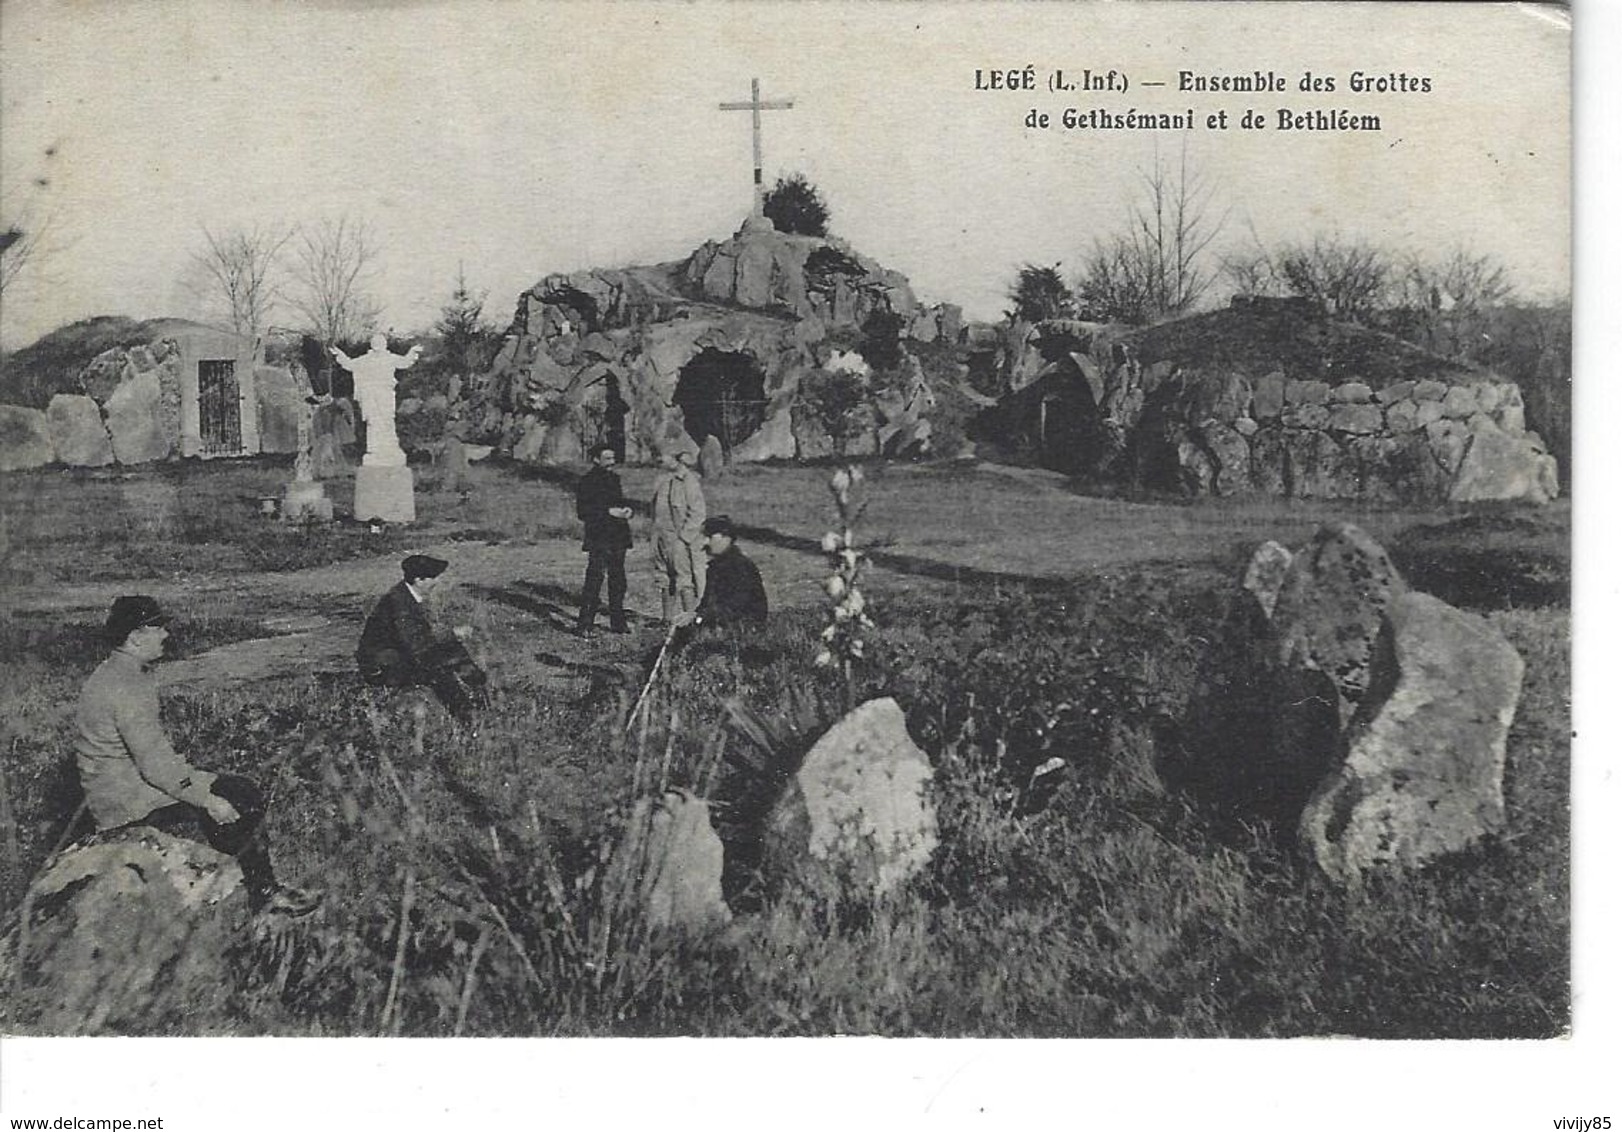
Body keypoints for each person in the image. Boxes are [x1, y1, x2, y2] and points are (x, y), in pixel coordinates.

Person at [74, 596, 320, 917]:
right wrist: (206, 798)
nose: (165, 634)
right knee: (237, 797)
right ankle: (262, 892)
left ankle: (244, 880)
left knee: (235, 788)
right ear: (135, 638)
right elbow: (156, 767)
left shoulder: (113, 673)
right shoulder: (126, 688)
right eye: (157, 627)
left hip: (119, 791)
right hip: (128, 804)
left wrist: (201, 784)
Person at [357, 554, 489, 721]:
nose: (437, 582)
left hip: (396, 655)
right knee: (438, 670)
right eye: (433, 578)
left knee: (451, 650)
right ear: (419, 580)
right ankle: (466, 717)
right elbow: (416, 643)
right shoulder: (400, 604)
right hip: (383, 667)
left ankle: (479, 694)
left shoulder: (405, 594)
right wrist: (452, 633)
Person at [575, 443, 633, 636]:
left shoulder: (615, 479)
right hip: (599, 537)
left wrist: (626, 510)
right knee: (594, 579)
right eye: (607, 458)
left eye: (613, 458)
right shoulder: (586, 482)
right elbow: (583, 511)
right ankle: (585, 624)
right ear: (596, 460)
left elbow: (620, 502)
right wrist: (608, 512)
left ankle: (618, 622)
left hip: (618, 537)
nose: (612, 462)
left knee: (618, 580)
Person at [649, 446, 707, 625]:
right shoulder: (661, 479)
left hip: (678, 538)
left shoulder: (688, 481)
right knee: (664, 577)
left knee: (684, 579)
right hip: (660, 536)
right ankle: (666, 619)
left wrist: (684, 538)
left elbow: (698, 513)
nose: (660, 459)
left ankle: (690, 619)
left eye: (663, 456)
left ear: (676, 458)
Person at [680, 515, 768, 631]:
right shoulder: (715, 567)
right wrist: (693, 616)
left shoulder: (739, 566)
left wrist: (700, 618)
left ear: (725, 538)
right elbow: (707, 604)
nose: (705, 542)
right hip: (722, 624)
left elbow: (736, 606)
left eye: (709, 536)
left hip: (743, 629)